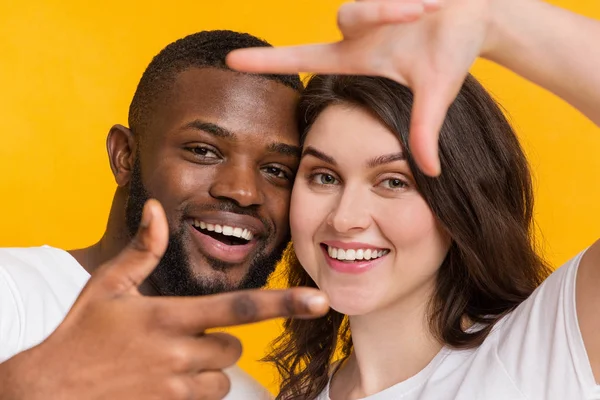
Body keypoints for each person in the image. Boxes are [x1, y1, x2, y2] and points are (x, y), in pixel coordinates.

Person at [229, 0, 600, 399]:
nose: (344, 218)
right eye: (324, 176)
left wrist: (494, 21)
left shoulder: (543, 349)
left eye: (393, 182)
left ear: (459, 200)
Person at [0, 30, 330, 399]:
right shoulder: (10, 292)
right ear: (124, 155)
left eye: (276, 170)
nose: (243, 192)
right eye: (203, 151)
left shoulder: (243, 394)